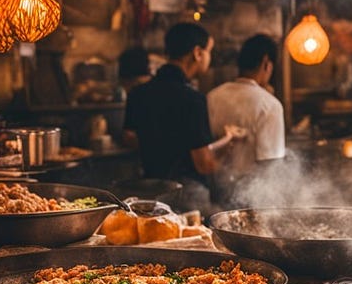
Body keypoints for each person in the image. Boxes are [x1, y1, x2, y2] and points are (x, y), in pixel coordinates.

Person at [122, 22, 242, 193]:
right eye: (209, 51)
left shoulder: (138, 93)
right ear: (197, 53)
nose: (210, 57)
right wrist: (226, 156)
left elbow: (129, 137)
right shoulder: (193, 99)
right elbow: (204, 165)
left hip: (150, 191)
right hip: (186, 196)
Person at [207, 34, 285, 185]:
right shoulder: (270, 105)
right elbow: (271, 165)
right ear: (266, 63)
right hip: (253, 196)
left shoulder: (212, 96)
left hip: (216, 189)